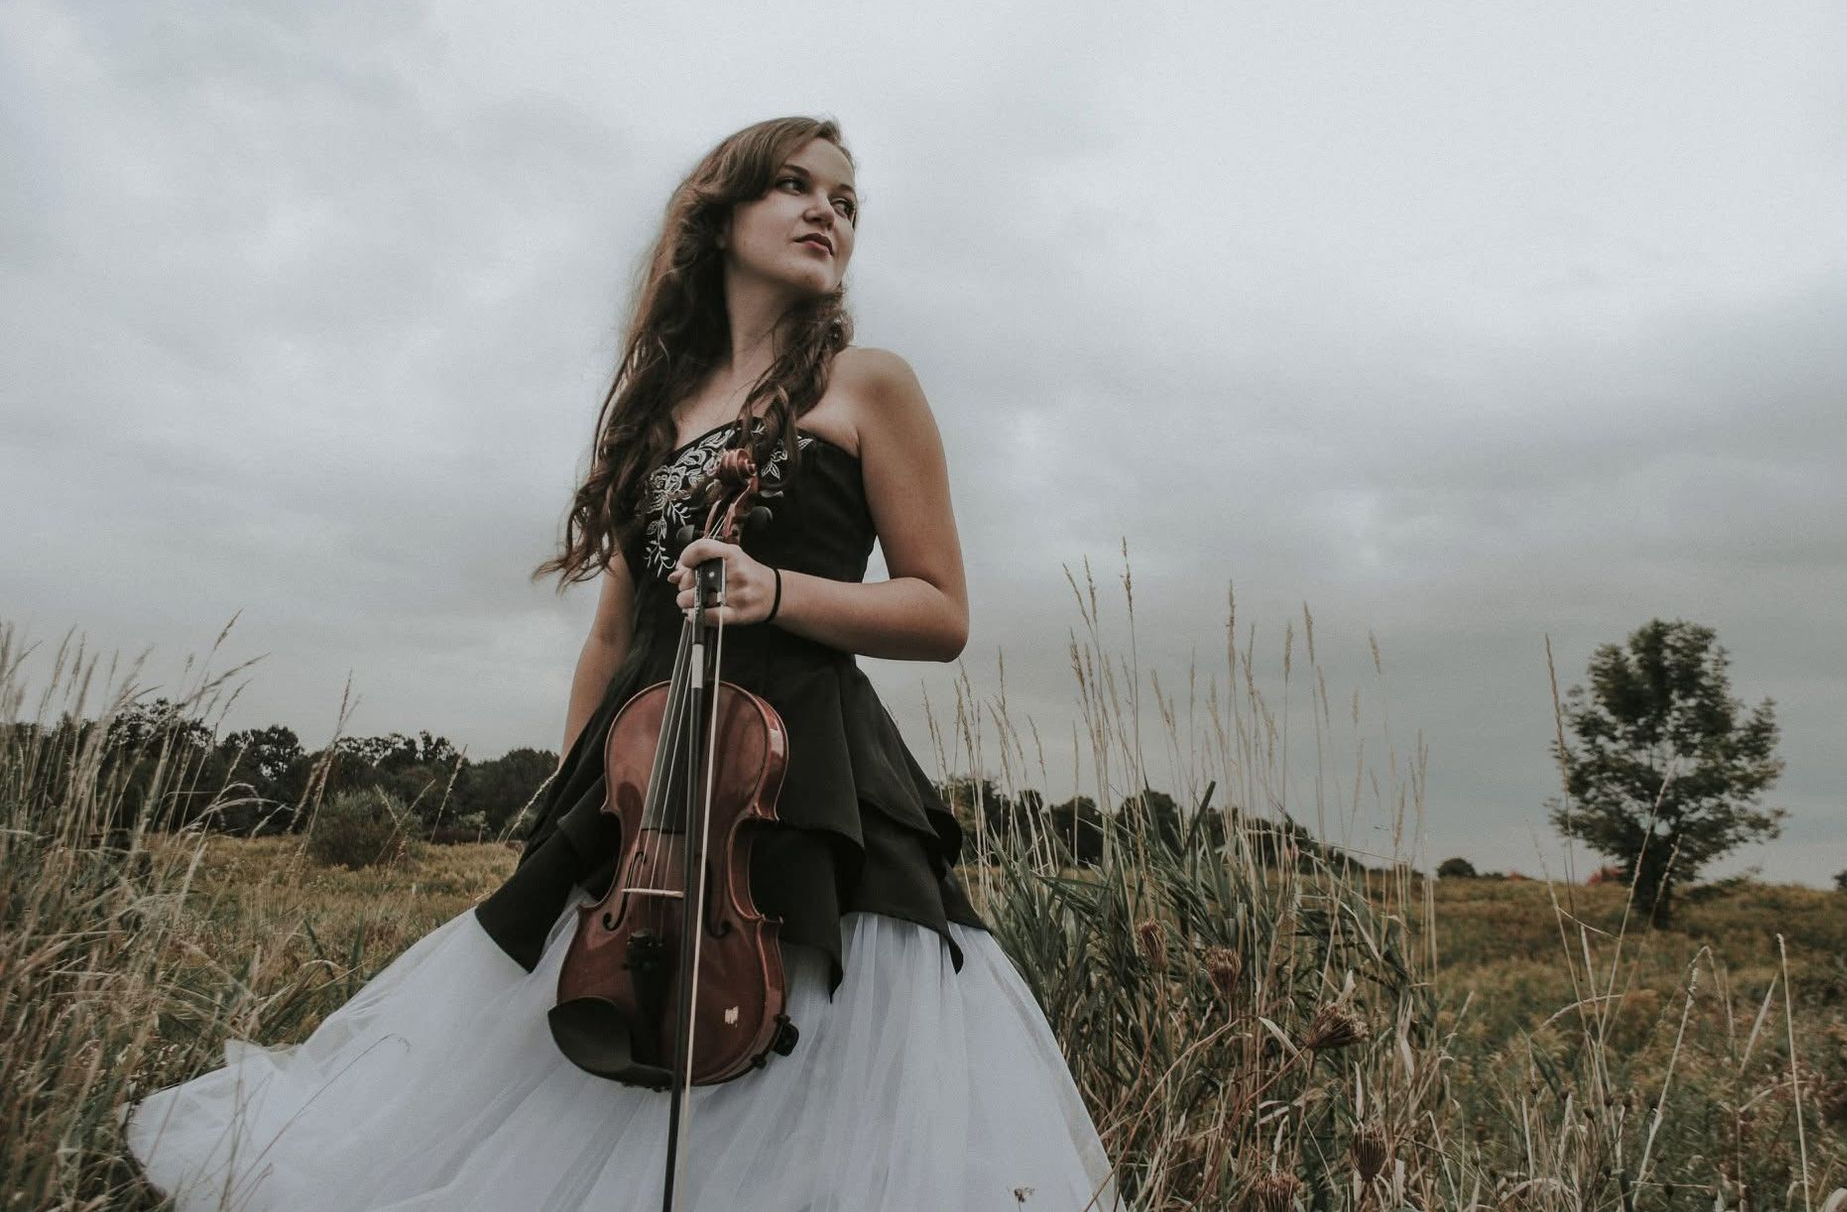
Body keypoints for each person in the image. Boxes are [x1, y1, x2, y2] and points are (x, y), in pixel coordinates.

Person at [123, 116, 1124, 1211]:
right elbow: (614, 633)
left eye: (844, 199)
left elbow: (940, 609)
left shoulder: (867, 384)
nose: (825, 211)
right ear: (719, 213)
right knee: (578, 1042)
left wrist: (774, 590)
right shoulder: (655, 418)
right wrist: (583, 793)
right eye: (793, 185)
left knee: (809, 1068)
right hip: (644, 788)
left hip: (805, 776)